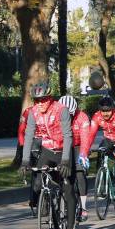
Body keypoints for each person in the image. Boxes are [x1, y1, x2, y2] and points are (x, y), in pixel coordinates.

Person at [18, 83, 74, 217]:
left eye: (43, 99)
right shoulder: (33, 112)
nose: (40, 103)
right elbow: (28, 136)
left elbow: (67, 135)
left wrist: (66, 160)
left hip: (62, 150)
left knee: (67, 187)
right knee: (37, 182)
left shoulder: (61, 110)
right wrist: (25, 161)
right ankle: (46, 200)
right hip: (47, 150)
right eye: (37, 100)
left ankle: (70, 221)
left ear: (50, 98)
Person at [85, 94, 115, 196]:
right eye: (103, 111)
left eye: (108, 111)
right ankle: (102, 181)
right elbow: (91, 134)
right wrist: (86, 149)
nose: (105, 113)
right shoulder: (96, 117)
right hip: (108, 139)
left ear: (113, 109)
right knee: (100, 155)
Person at [65, 95, 93, 221]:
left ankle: (83, 207)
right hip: (63, 146)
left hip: (79, 145)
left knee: (80, 173)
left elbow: (86, 139)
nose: (68, 117)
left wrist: (83, 155)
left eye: (70, 114)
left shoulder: (82, 117)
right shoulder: (57, 115)